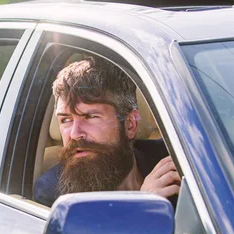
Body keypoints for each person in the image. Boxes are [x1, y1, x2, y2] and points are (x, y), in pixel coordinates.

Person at [34, 57, 180, 207]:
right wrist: (142, 205)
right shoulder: (54, 194)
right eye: (66, 120)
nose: (75, 134)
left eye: (90, 117)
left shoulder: (171, 158)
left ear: (130, 125)